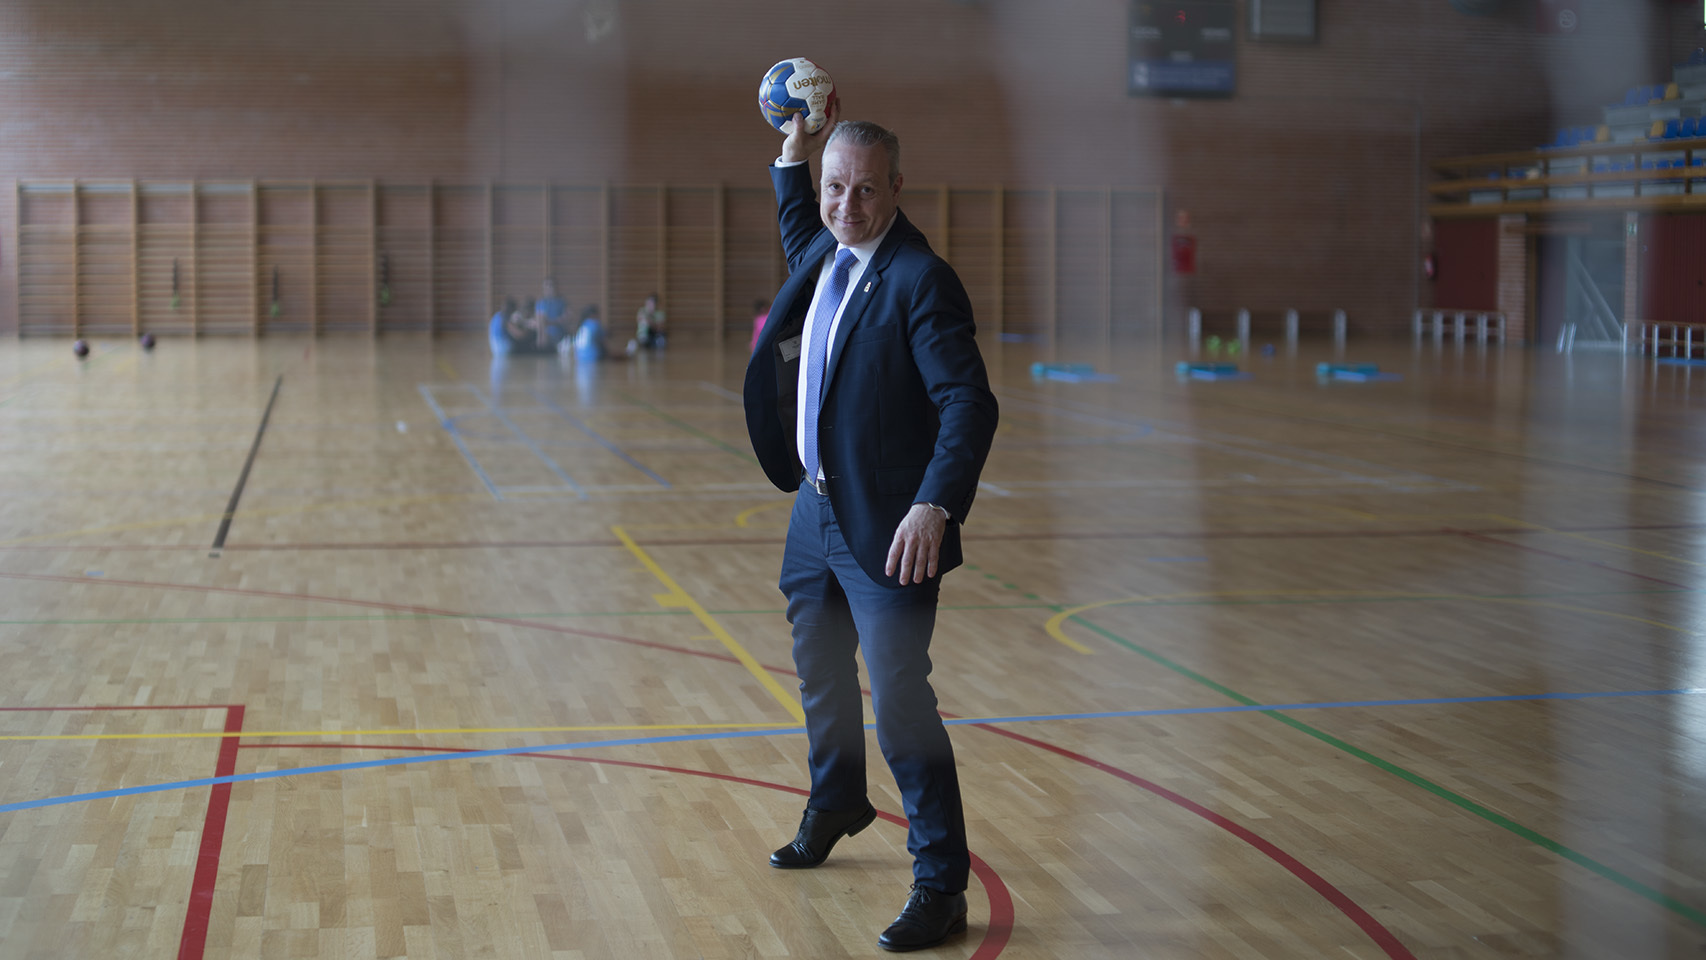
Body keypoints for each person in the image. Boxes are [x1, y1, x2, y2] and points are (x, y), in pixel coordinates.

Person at [742, 102, 998, 953]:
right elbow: (797, 215)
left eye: (864, 190)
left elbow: (968, 401)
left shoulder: (921, 280)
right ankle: (838, 800)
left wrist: (936, 503)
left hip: (893, 528)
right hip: (814, 511)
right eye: (833, 187)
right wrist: (794, 151)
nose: (845, 204)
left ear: (897, 189)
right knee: (819, 671)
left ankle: (940, 883)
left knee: (900, 705)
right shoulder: (827, 251)